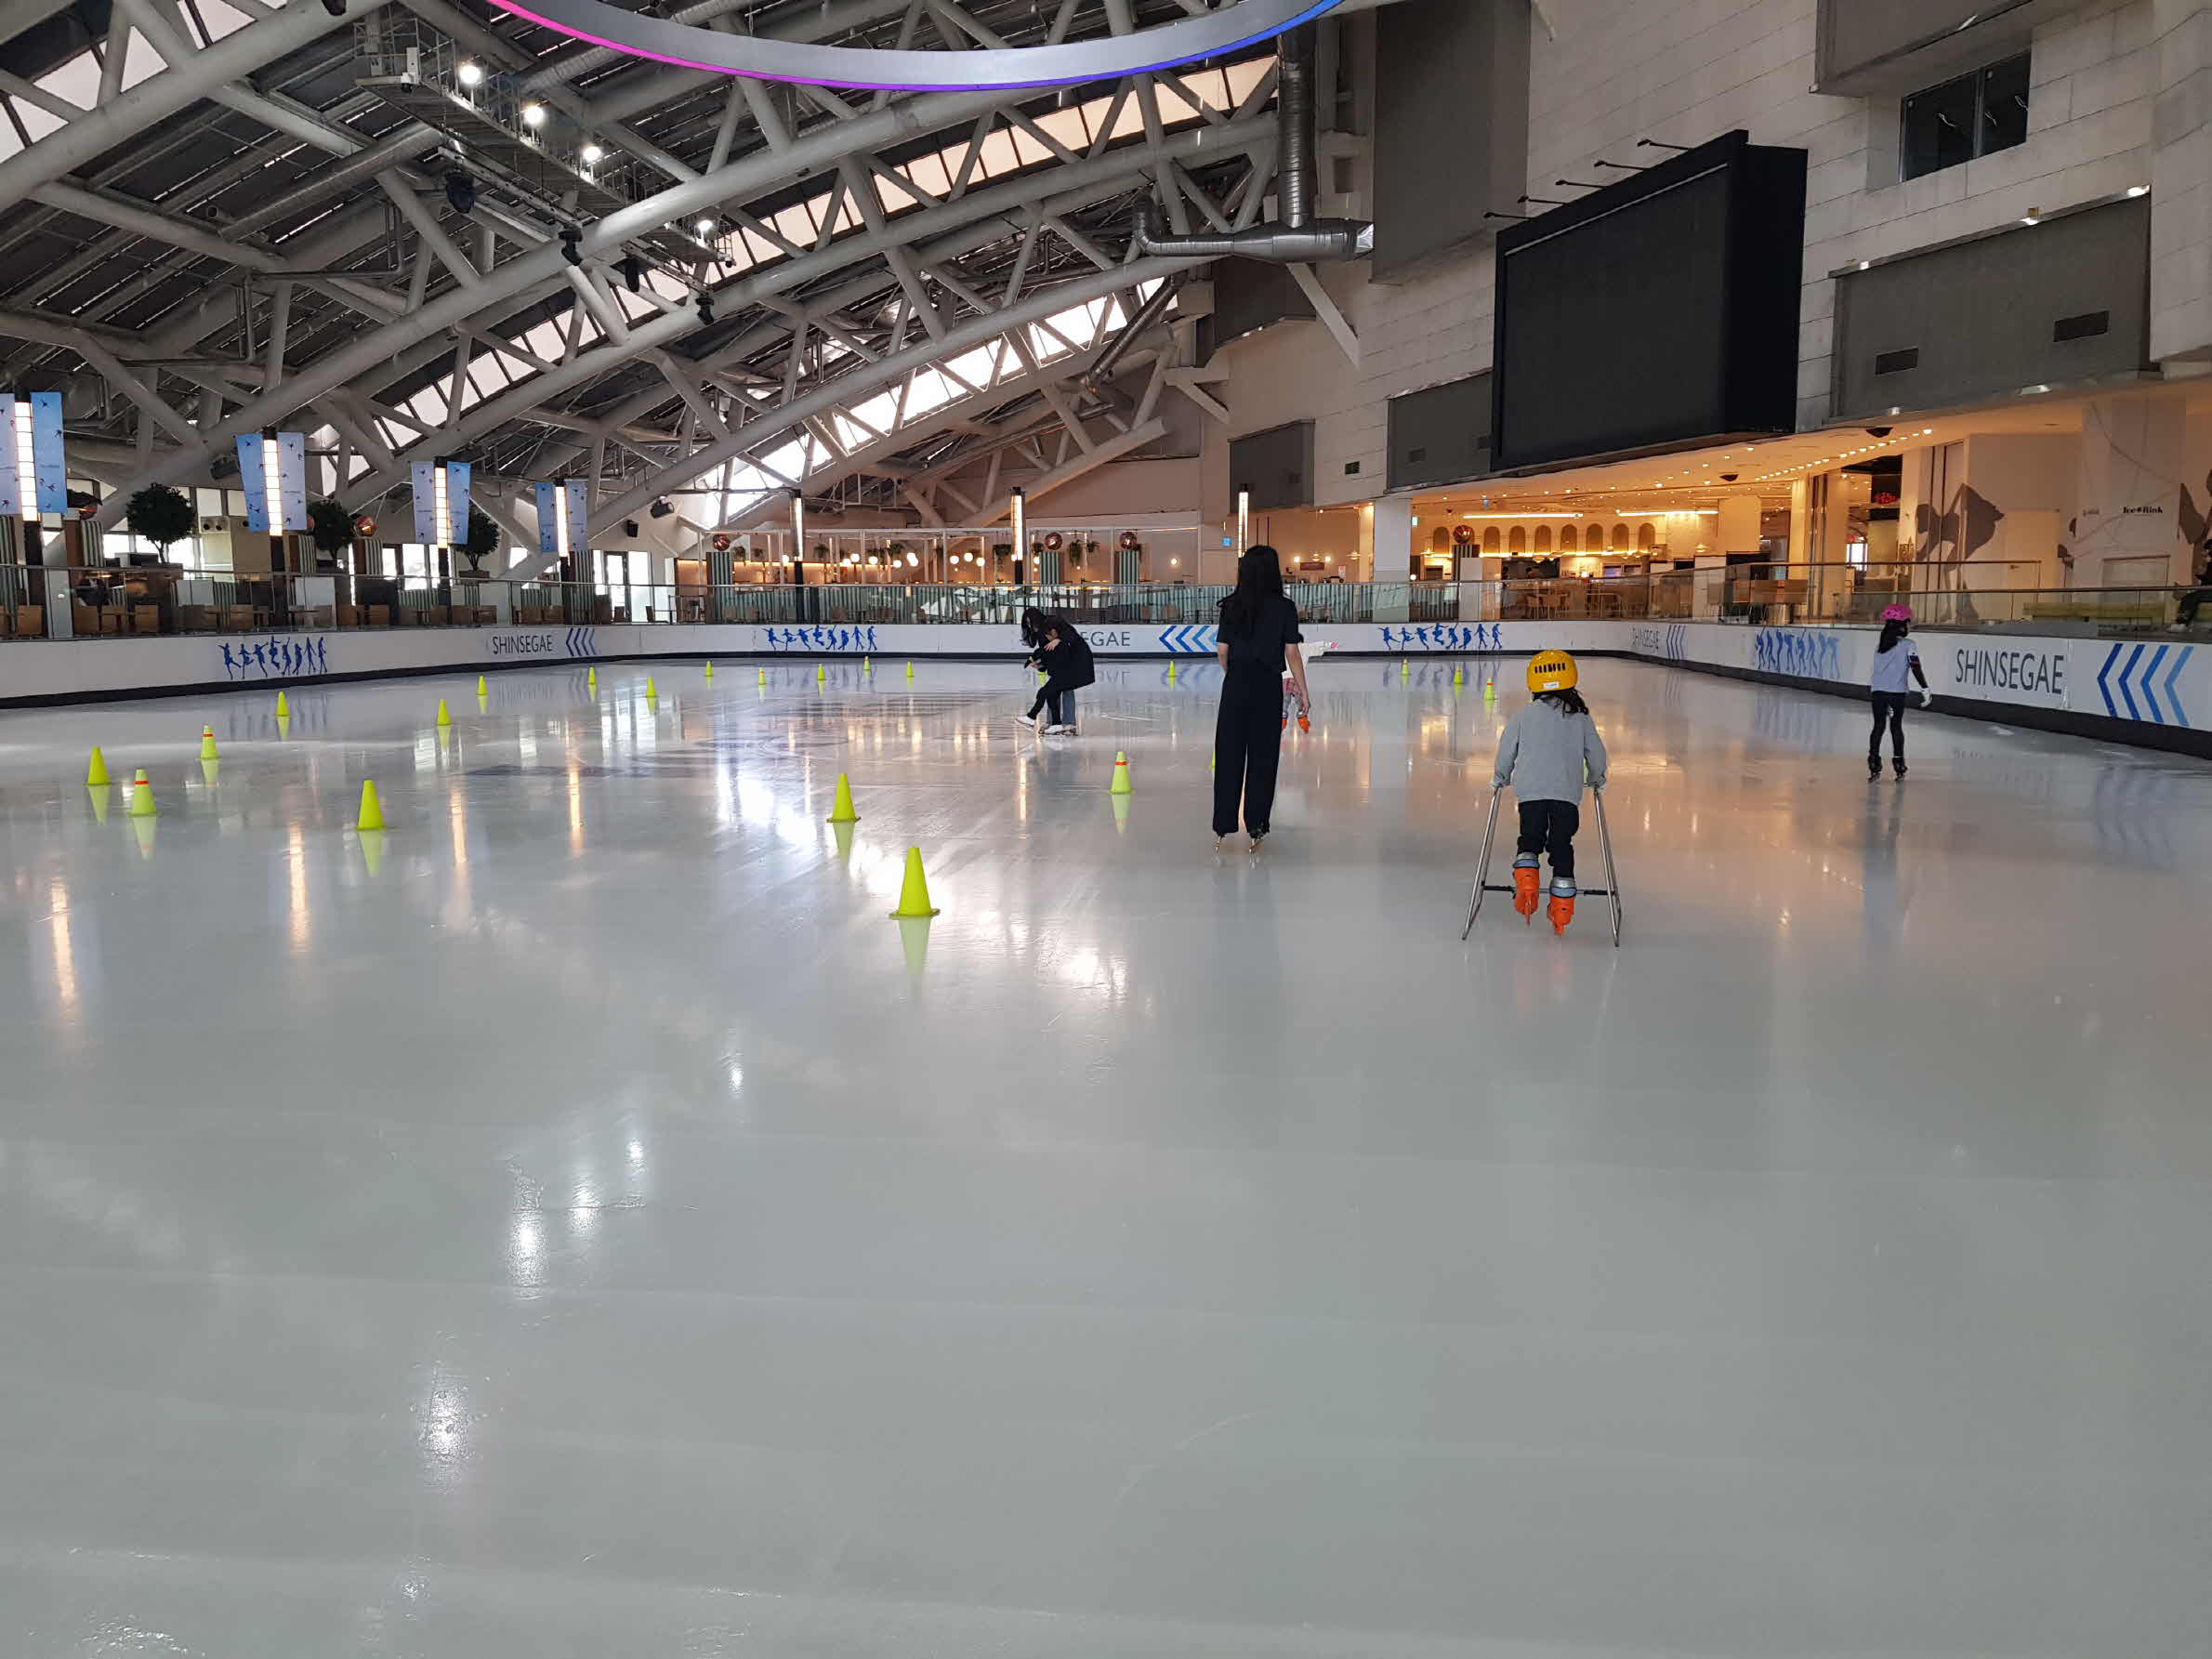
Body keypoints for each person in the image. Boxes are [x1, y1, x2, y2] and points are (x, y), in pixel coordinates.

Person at [1493, 650, 1609, 934]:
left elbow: (1506, 751)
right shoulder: (1580, 718)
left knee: (1530, 839)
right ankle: (1562, 910)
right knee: (1561, 845)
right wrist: (1596, 778)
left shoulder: (1524, 716)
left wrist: (1500, 777)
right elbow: (1596, 754)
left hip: (1531, 794)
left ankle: (1527, 883)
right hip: (1566, 795)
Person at [1213, 546, 1310, 851]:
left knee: (1229, 752)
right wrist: (1303, 690)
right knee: (1263, 756)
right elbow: (1292, 652)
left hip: (1236, 684)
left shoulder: (1231, 605)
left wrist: (1233, 675)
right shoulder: (1284, 607)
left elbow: (1222, 651)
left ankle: (1223, 824)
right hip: (1267, 686)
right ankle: (1256, 824)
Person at [1867, 603, 1929, 779]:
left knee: (1878, 726)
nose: (1910, 626)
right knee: (1895, 727)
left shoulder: (1880, 645)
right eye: (1909, 623)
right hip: (1896, 693)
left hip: (1877, 691)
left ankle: (1873, 760)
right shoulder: (1909, 644)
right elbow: (1915, 667)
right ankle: (1899, 762)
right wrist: (1925, 688)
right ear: (1903, 624)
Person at [1015, 607, 1095, 733]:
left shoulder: (1053, 621)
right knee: (1052, 691)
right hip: (1060, 661)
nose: (1030, 626)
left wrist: (1059, 639)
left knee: (1064, 689)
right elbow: (1048, 652)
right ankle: (1053, 722)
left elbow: (1072, 634)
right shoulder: (1040, 633)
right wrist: (1042, 665)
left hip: (1073, 659)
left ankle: (1068, 723)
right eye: (1028, 624)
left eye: (1031, 622)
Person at [2173, 542, 2212, 631]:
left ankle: (2183, 623)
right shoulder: (2209, 565)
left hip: (2209, 591)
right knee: (2187, 597)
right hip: (2205, 590)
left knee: (2194, 597)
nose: (2206, 553)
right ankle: (2180, 622)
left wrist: (2204, 575)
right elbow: (2207, 579)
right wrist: (2202, 574)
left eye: (2207, 550)